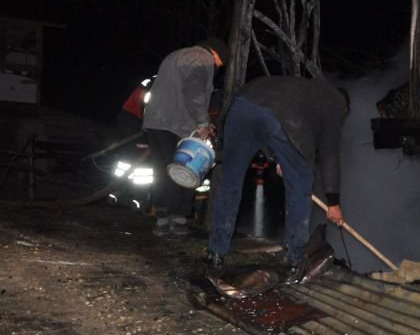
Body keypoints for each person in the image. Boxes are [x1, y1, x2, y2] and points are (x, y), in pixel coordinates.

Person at [205, 75, 348, 272]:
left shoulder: (309, 89)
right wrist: (333, 202)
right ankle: (294, 255)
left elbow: (263, 126)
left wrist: (278, 157)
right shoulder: (337, 105)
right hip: (281, 113)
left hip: (241, 104)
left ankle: (216, 251)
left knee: (230, 181)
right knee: (301, 182)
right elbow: (329, 154)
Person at [142, 37, 227, 237]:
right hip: (176, 124)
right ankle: (178, 222)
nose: (216, 68)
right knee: (184, 170)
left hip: (155, 122)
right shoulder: (201, 58)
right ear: (215, 54)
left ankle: (162, 221)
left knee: (161, 170)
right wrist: (202, 122)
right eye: (219, 65)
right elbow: (194, 92)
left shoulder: (175, 55)